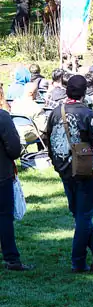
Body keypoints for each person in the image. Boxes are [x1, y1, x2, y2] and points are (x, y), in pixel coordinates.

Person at [45, 74, 93, 273]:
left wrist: (57, 166)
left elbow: (48, 140)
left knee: (77, 212)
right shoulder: (88, 114)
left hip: (64, 170)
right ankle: (78, 261)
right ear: (84, 92)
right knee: (83, 215)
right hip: (85, 171)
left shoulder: (55, 112)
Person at [0, 103, 31, 271]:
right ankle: (11, 259)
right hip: (2, 175)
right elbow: (14, 149)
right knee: (4, 217)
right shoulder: (3, 117)